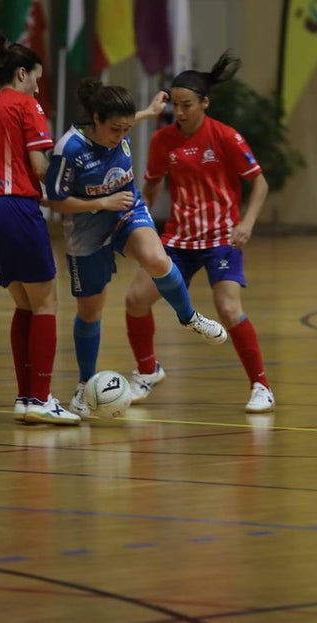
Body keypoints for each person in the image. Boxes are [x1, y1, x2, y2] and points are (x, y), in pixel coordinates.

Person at [45, 79, 228, 419]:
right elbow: (55, 201)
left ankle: (189, 317)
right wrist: (101, 201)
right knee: (90, 313)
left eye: (126, 129)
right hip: (85, 228)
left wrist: (150, 112)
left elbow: (130, 119)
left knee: (157, 259)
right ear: (96, 119)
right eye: (115, 129)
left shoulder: (119, 127)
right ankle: (85, 384)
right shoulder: (69, 149)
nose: (120, 136)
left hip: (127, 210)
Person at [123, 52, 275, 412]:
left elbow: (260, 183)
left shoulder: (225, 137)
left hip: (222, 239)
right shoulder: (163, 141)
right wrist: (137, 224)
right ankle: (148, 371)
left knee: (227, 307)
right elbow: (152, 187)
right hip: (178, 240)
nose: (180, 112)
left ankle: (261, 386)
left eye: (187, 105)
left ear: (204, 103)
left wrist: (247, 223)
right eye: (175, 105)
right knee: (135, 300)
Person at [0, 34, 78, 425]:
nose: (37, 86)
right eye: (35, 77)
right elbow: (38, 164)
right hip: (15, 206)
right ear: (20, 73)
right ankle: (42, 398)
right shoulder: (27, 105)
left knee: (25, 303)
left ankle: (26, 397)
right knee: (47, 302)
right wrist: (67, 189)